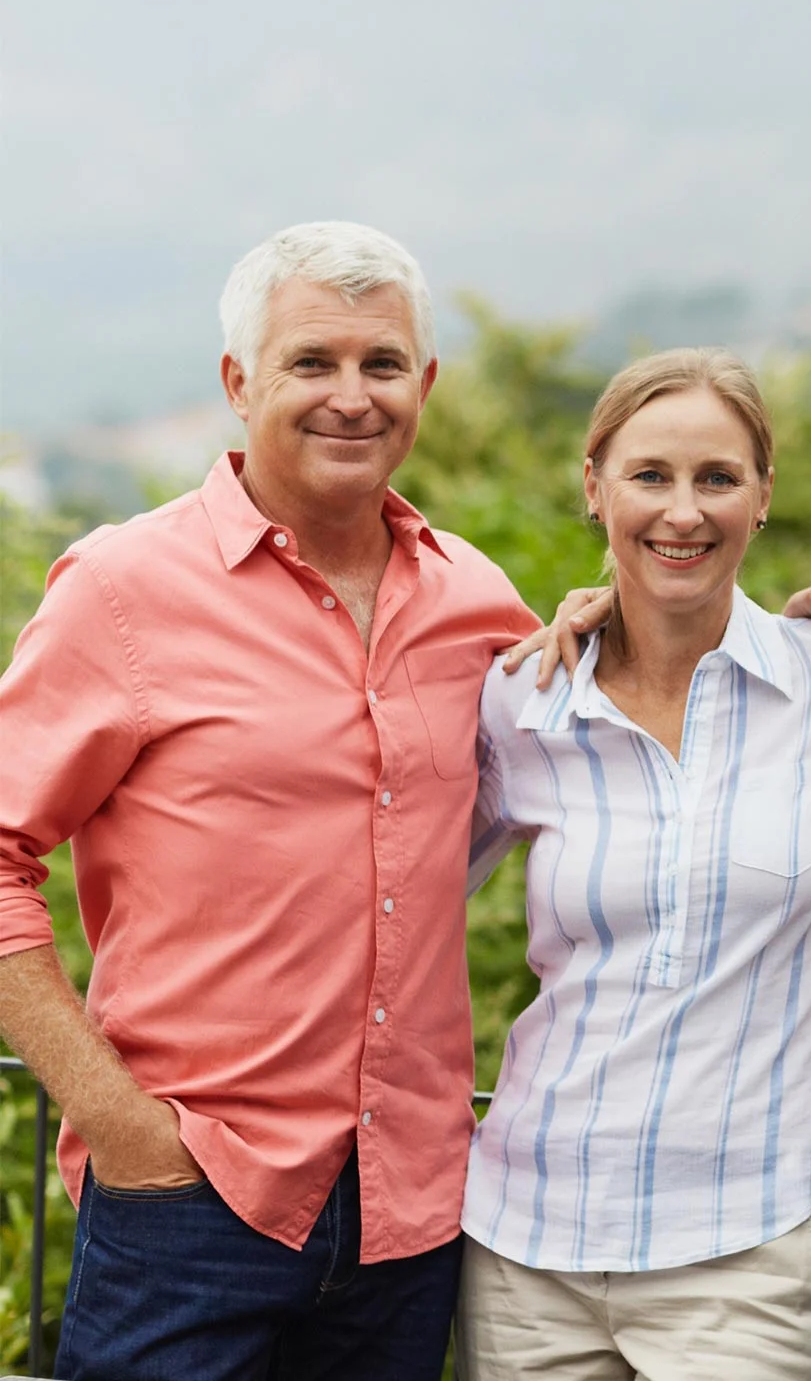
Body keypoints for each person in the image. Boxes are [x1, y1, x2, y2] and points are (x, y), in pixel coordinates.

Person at [0, 222, 539, 1378]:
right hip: (188, 1201)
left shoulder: (476, 601)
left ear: (425, 386)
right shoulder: (123, 590)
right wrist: (119, 1122)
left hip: (409, 1212)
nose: (352, 396)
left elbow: (616, 752)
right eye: (312, 362)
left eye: (383, 364)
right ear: (240, 382)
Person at [454, 349, 811, 1379]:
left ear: (762, 497)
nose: (683, 511)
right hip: (529, 1237)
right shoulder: (523, 701)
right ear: (593, 487)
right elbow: (401, 902)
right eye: (650, 476)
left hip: (759, 1235)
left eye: (718, 478)